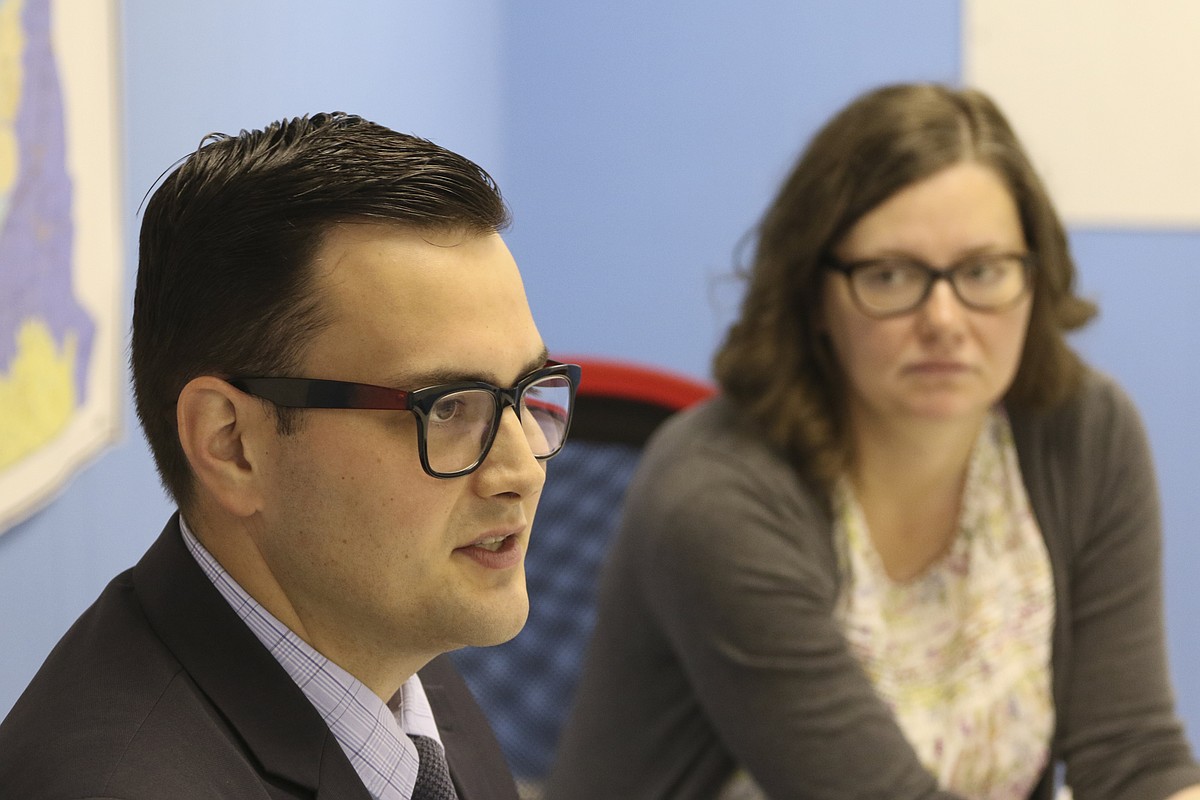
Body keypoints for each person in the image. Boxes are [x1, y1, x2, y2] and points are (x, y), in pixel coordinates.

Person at [547, 83, 1200, 800]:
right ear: (812, 295)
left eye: (983, 271)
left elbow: (1131, 757)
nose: (944, 319)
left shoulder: (1083, 431)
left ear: (1034, 279)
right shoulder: (715, 496)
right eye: (890, 276)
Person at [0, 112, 581, 799]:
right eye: (448, 407)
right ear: (231, 444)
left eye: (528, 390)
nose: (522, 471)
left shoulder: (385, 639)